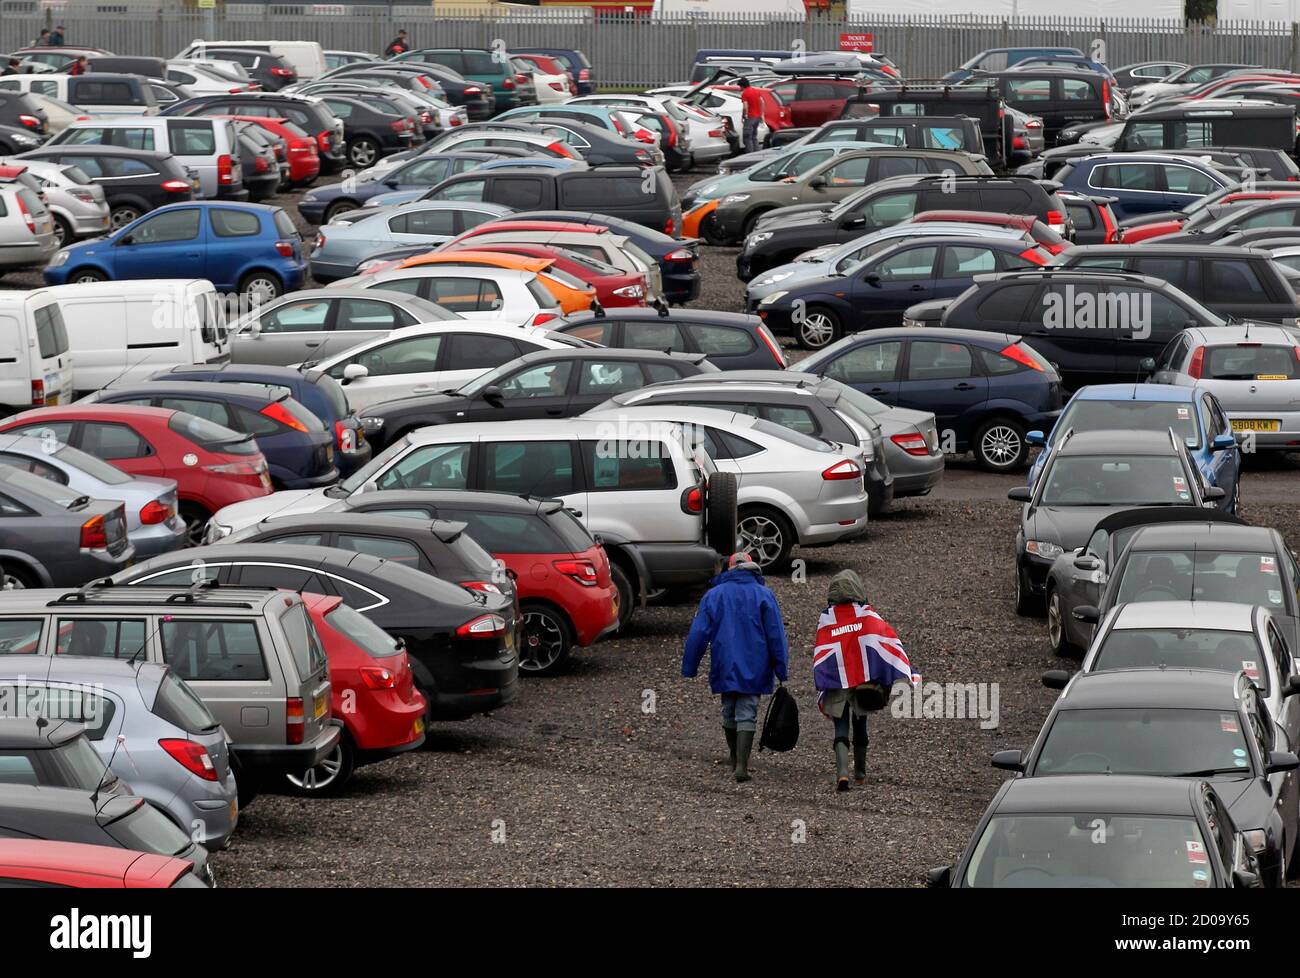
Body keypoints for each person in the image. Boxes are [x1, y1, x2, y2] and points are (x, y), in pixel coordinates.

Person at [682, 551, 789, 783]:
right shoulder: (764, 595)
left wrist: (690, 666)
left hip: (724, 663)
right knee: (747, 711)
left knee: (728, 709)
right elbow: (776, 636)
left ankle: (733, 756)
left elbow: (698, 633)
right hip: (755, 665)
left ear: (729, 569)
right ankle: (742, 764)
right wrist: (781, 668)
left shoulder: (714, 595)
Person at [811, 569, 915, 791]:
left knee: (840, 728)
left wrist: (823, 677)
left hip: (837, 680)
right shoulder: (867, 615)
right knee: (861, 725)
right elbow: (884, 640)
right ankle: (860, 773)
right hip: (862, 681)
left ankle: (842, 774)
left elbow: (821, 650)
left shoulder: (827, 618)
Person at [738, 76, 764, 155]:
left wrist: (743, 115)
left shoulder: (745, 93)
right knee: (754, 137)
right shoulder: (756, 91)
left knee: (747, 138)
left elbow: (745, 106)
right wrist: (761, 114)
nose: (739, 88)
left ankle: (750, 155)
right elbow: (762, 102)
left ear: (742, 86)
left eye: (740, 86)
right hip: (757, 117)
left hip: (750, 117)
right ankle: (757, 154)